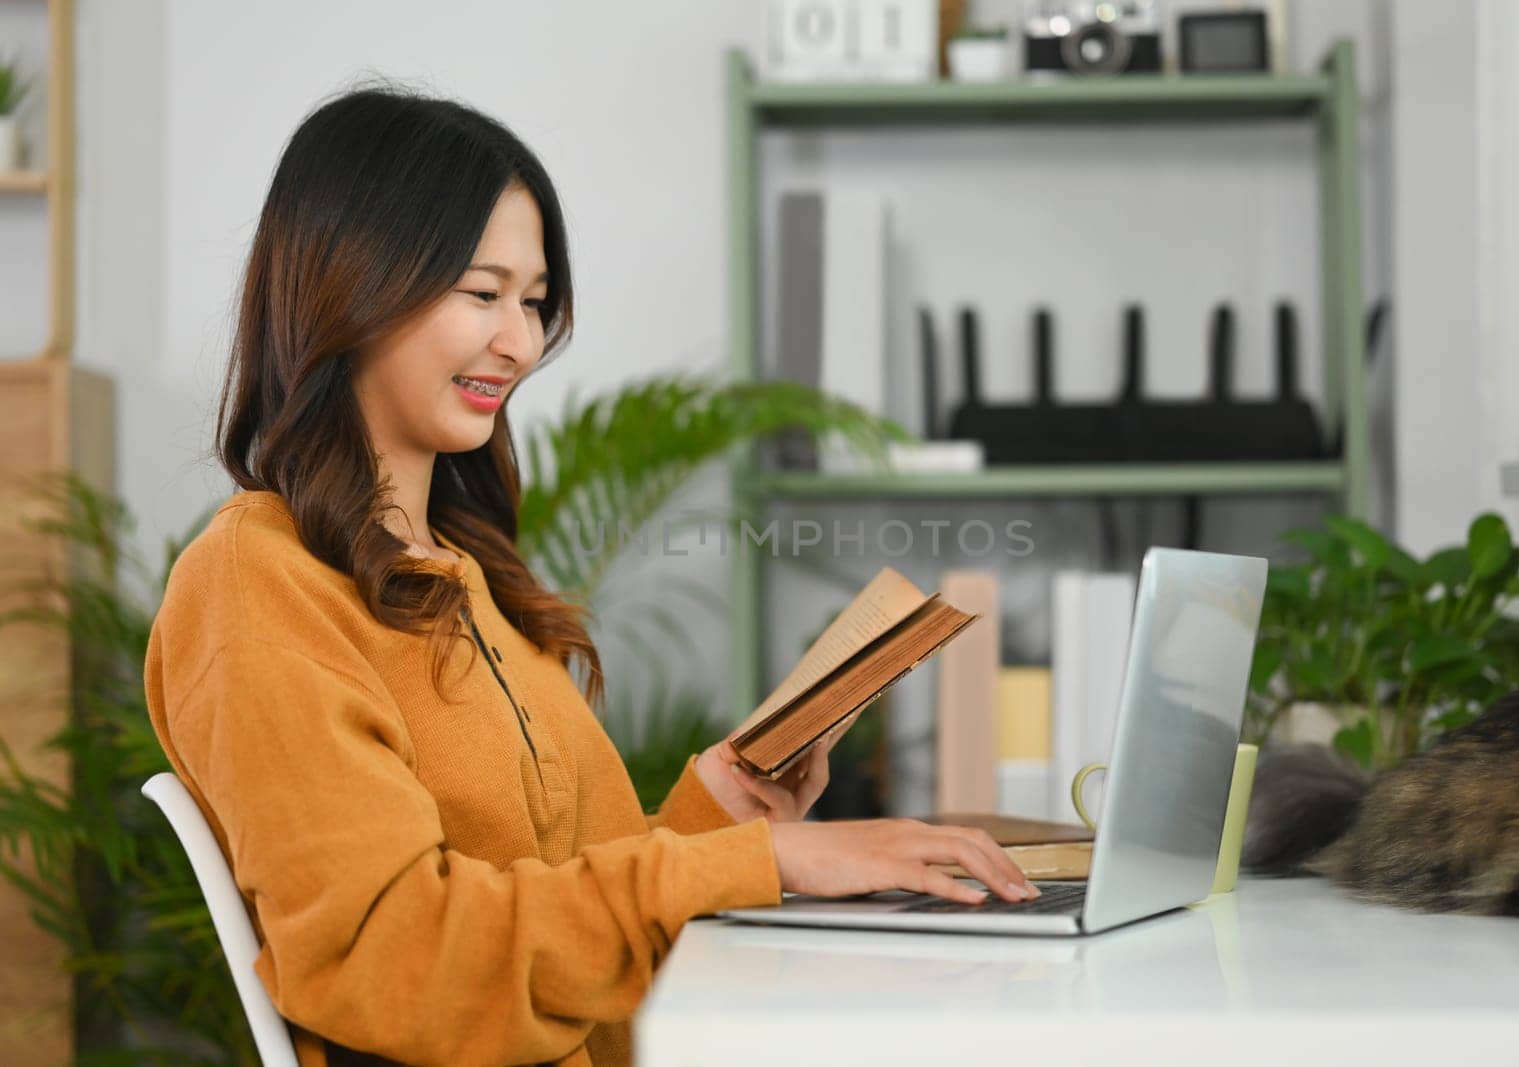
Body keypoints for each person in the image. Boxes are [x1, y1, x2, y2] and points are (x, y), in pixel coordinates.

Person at [143, 85, 1034, 1067]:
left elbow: (560, 901)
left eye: (531, 302)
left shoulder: (469, 574)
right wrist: (760, 863)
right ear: (350, 285)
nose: (520, 343)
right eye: (481, 294)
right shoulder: (257, 583)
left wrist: (716, 813)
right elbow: (392, 954)